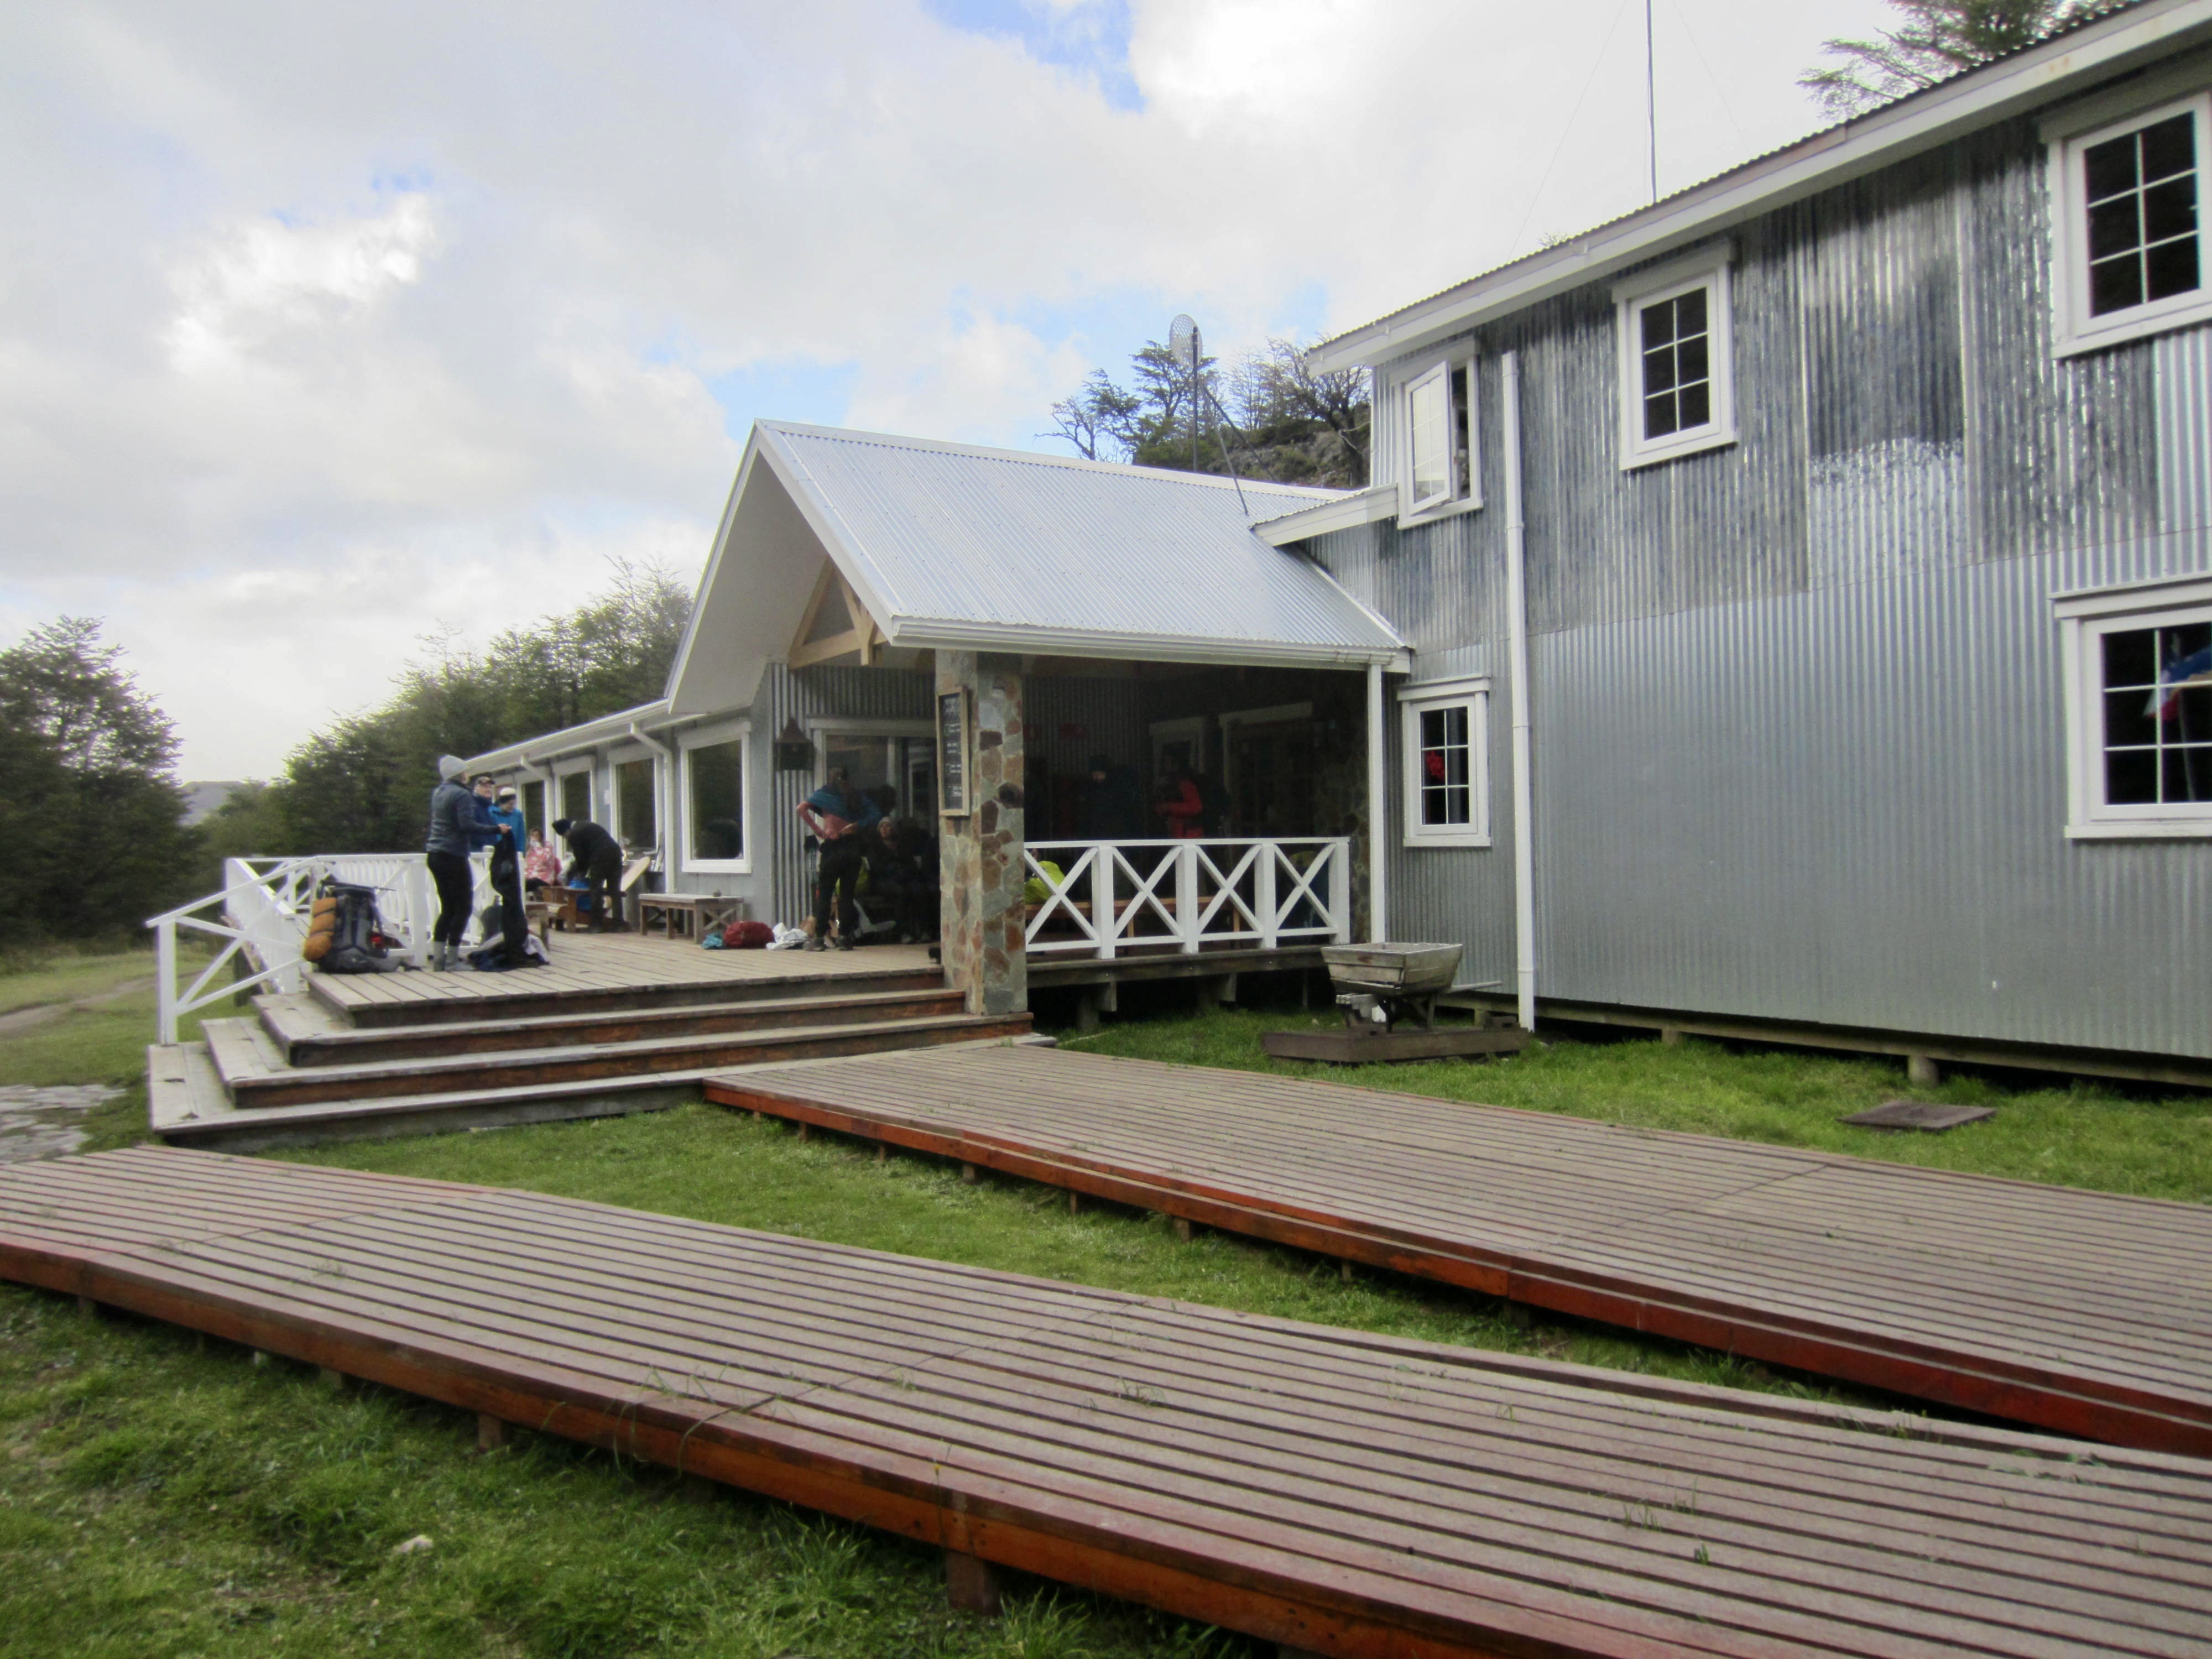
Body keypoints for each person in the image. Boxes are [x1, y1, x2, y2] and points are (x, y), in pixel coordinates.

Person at [797, 768, 879, 950]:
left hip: (832, 848)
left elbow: (801, 808)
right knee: (847, 895)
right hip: (853, 849)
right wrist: (857, 825)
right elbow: (875, 814)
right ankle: (845, 938)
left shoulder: (825, 793)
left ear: (831, 779)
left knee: (825, 894)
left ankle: (819, 939)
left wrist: (819, 831)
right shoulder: (857, 796)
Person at [424, 754, 492, 969]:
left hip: (435, 854)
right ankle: (453, 960)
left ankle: (439, 960)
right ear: (459, 774)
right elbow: (466, 825)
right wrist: (495, 829)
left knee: (447, 908)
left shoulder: (439, 792)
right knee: (463, 907)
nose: (467, 775)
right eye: (465, 771)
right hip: (453, 855)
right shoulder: (462, 794)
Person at [864, 812, 938, 943]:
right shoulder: (875, 848)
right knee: (901, 894)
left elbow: (911, 865)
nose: (885, 829)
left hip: (906, 878)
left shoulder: (902, 846)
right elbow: (877, 868)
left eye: (888, 826)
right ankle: (903, 933)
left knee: (920, 891)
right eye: (882, 827)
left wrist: (905, 872)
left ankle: (925, 931)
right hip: (885, 881)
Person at [552, 815, 627, 931]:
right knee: (614, 891)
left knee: (596, 890)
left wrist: (578, 874)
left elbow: (580, 858)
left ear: (566, 830)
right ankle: (619, 924)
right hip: (616, 855)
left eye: (563, 835)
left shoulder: (574, 834)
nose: (565, 838)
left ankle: (597, 925)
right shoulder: (585, 825)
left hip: (600, 859)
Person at [1076, 753, 1143, 840]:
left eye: (1101, 774)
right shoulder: (1088, 789)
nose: (1098, 778)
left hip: (1116, 833)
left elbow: (1125, 812)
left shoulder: (1118, 789)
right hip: (1095, 833)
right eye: (1095, 775)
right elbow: (1085, 814)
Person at [1155, 766, 1204, 839]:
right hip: (1176, 833)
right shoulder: (1166, 788)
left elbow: (1196, 807)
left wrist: (1169, 807)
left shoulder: (1185, 785)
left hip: (1188, 835)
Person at [522, 830, 562, 896]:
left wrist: (537, 846)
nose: (534, 838)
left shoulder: (547, 847)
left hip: (544, 878)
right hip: (531, 877)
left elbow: (544, 860)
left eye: (537, 836)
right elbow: (526, 865)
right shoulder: (529, 849)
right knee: (520, 883)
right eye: (532, 835)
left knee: (528, 884)